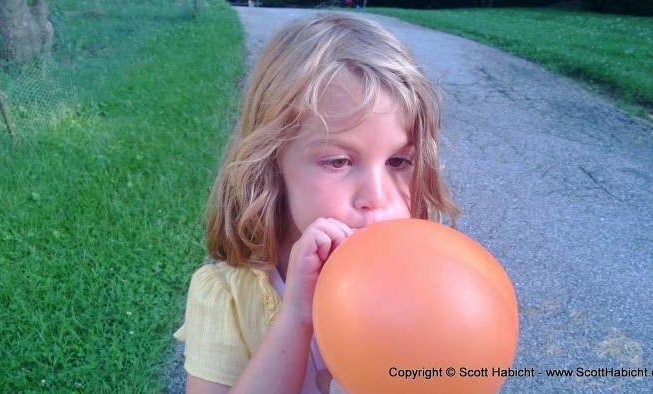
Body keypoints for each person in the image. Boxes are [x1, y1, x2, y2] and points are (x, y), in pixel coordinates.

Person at [174, 13, 460, 394]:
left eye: (398, 161)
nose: (377, 197)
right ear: (272, 163)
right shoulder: (226, 299)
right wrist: (296, 318)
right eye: (338, 162)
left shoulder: (425, 280)